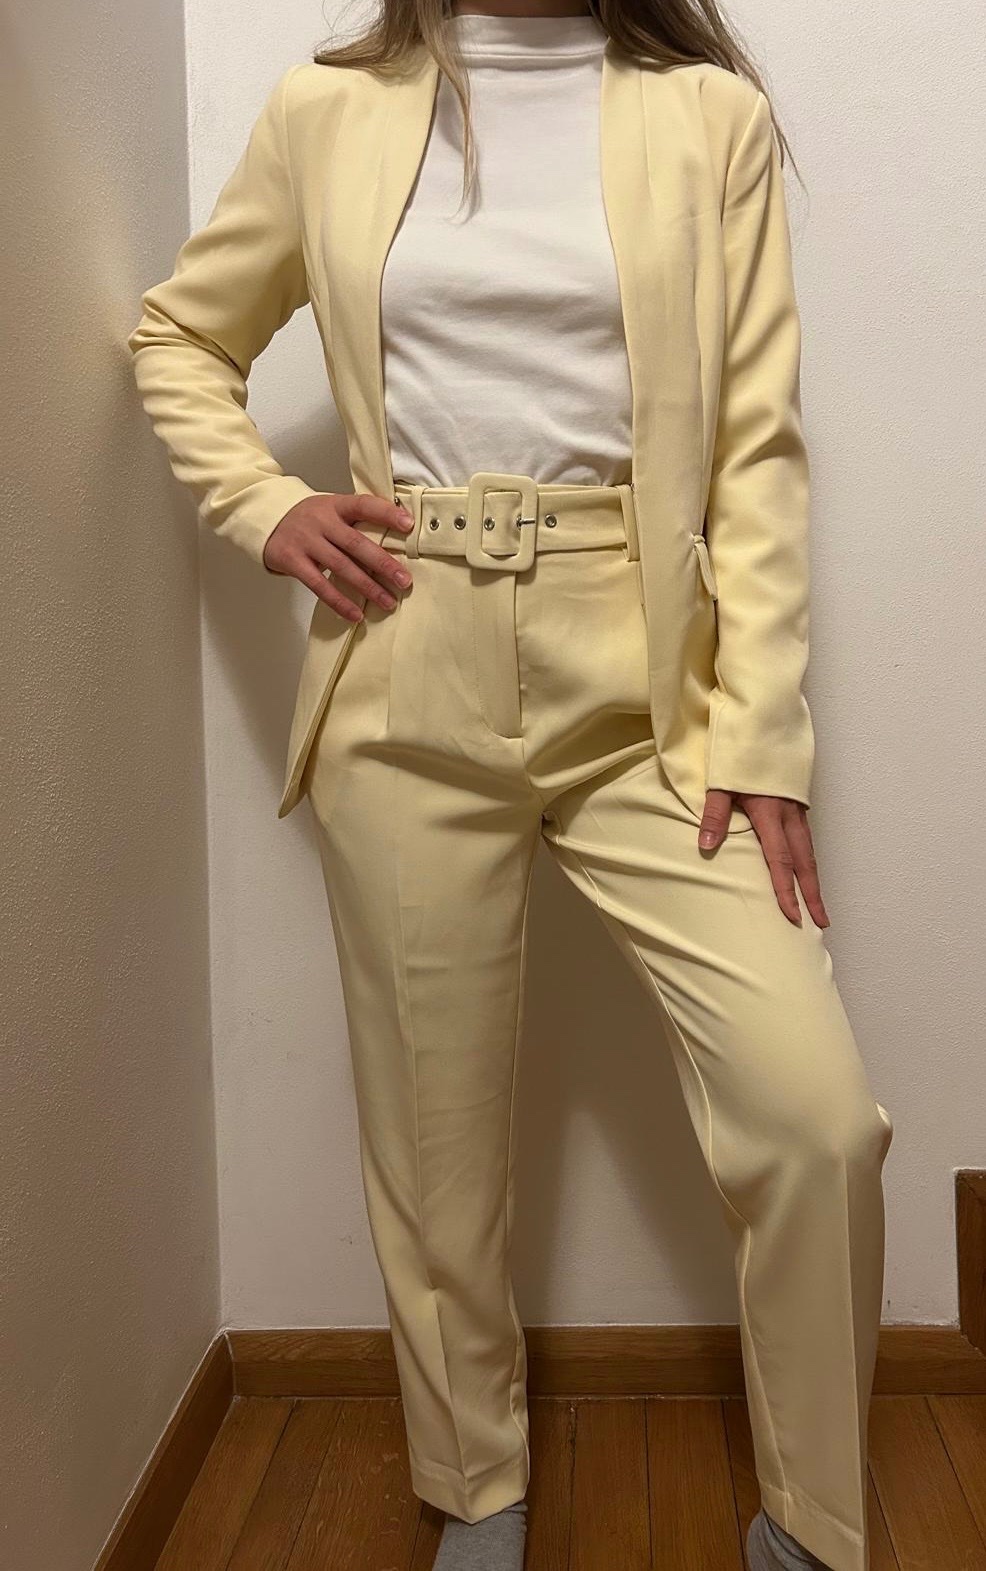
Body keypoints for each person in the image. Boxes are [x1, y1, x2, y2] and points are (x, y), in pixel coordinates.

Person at [126, 3, 895, 1568]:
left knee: (812, 1118)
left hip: (651, 692)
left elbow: (753, 449)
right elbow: (180, 336)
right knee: (436, 1149)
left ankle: (818, 1524)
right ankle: (474, 1488)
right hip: (403, 659)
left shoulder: (707, 118)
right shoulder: (325, 112)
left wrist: (759, 734)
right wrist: (265, 506)